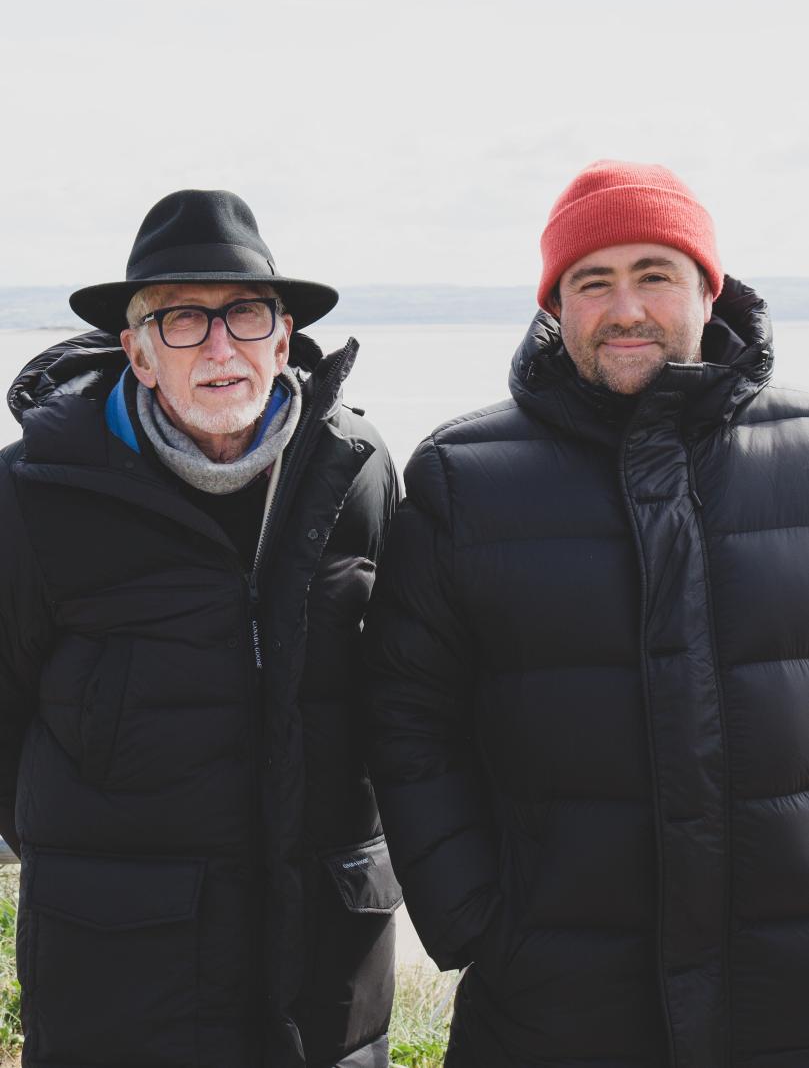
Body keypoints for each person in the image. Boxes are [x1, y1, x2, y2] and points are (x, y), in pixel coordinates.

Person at [363, 161, 809, 1067]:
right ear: (555, 303)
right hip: (551, 999)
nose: (624, 308)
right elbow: (405, 715)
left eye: (654, 272)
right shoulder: (463, 476)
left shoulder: (800, 456)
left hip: (784, 983)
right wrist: (476, 915)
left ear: (707, 288)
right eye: (591, 281)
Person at [0, 189, 401, 1068]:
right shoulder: (35, 492)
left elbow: (404, 689)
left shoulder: (358, 471)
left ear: (283, 337)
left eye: (244, 316)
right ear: (137, 354)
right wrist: (92, 865)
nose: (221, 347)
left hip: (323, 967)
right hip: (118, 975)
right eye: (182, 320)